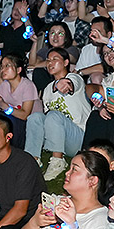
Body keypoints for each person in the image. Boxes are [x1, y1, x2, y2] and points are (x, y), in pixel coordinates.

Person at [24, 47, 91, 181]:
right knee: (35, 117)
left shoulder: (75, 77)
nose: (50, 63)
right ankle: (32, 160)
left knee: (54, 115)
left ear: (66, 62)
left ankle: (58, 161)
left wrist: (62, 83)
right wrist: (55, 85)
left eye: (55, 59)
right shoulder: (48, 89)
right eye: (48, 60)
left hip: (78, 137)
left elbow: (70, 84)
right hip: (57, 137)